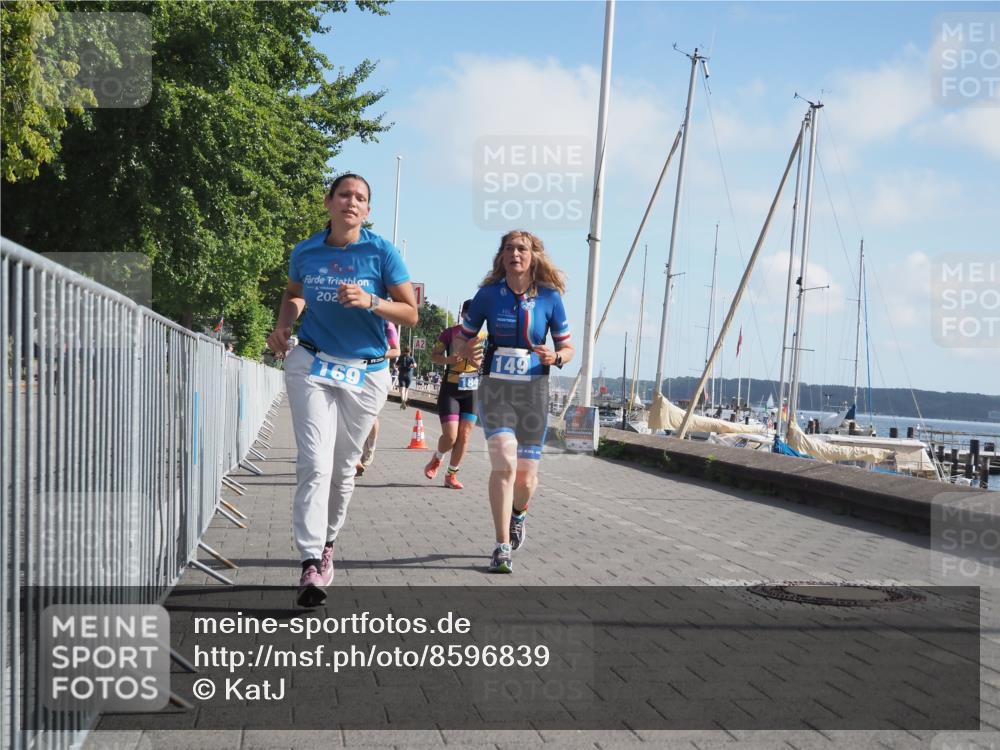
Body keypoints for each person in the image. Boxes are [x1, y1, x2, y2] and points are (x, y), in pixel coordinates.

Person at [266, 173, 418, 607]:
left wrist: (372, 302)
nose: (352, 202)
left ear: (367, 211)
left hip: (366, 371)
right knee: (314, 462)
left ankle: (329, 541)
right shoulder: (306, 251)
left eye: (361, 198)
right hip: (312, 361)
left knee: (343, 465)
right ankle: (310, 560)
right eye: (345, 195)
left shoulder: (381, 252)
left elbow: (410, 313)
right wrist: (283, 325)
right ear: (329, 202)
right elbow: (294, 294)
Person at [456, 230, 573, 573]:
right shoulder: (488, 295)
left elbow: (567, 347)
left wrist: (557, 357)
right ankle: (501, 544)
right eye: (508, 248)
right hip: (496, 389)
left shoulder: (550, 298)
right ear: (502, 256)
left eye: (522, 248)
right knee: (504, 464)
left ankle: (519, 515)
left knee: (526, 479)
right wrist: (468, 349)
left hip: (534, 392)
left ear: (533, 254)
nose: (515, 253)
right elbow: (462, 340)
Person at [424, 299, 483, 490]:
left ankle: (451, 475)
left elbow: (489, 361)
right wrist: (449, 359)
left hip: (472, 390)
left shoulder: (485, 335)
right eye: (470, 314)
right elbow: (433, 355)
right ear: (463, 314)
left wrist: (480, 364)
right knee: (450, 436)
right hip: (451, 389)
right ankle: (437, 459)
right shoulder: (450, 333)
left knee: (465, 435)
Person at [356, 320, 401, 476]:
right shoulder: (355, 318)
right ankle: (353, 457)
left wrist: (377, 354)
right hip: (351, 371)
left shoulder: (387, 324)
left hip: (375, 375)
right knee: (348, 414)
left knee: (371, 415)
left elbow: (396, 351)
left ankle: (370, 448)